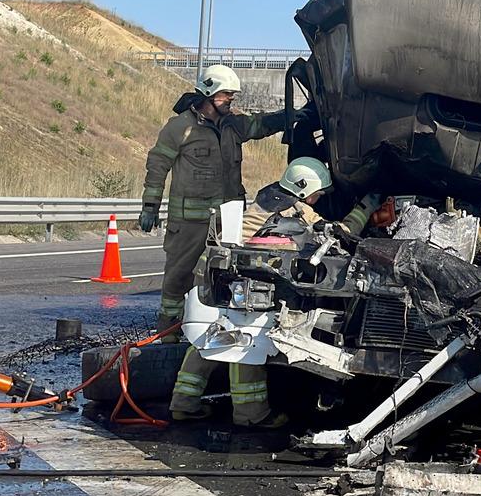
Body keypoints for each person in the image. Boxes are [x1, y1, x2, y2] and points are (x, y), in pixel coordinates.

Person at [169, 157, 381, 427]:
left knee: (210, 335)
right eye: (317, 193)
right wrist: (368, 205)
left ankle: (183, 403)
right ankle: (251, 415)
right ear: (303, 189)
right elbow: (339, 234)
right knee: (247, 339)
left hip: (214, 272)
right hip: (241, 278)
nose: (318, 198)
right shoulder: (294, 210)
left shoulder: (268, 198)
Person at [140, 64, 289, 342]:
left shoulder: (232, 125)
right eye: (226, 96)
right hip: (189, 223)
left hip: (227, 221)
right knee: (179, 278)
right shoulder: (180, 127)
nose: (231, 100)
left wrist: (292, 115)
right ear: (208, 94)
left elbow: (262, 124)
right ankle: (169, 335)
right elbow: (157, 165)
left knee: (222, 276)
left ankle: (212, 334)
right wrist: (150, 205)